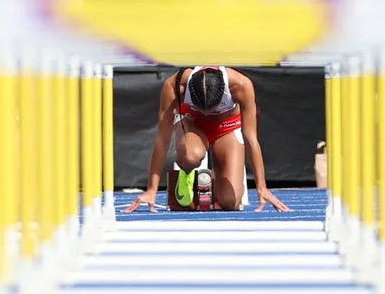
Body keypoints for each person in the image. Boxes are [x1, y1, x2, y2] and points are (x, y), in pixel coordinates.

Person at [123, 66, 290, 213]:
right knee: (191, 155)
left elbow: (251, 139)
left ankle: (213, 182)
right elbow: (162, 140)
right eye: (201, 108)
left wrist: (262, 188)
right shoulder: (175, 85)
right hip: (192, 123)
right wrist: (152, 189)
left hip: (227, 127)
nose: (206, 114)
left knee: (230, 202)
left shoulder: (241, 85)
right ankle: (187, 172)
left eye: (212, 109)